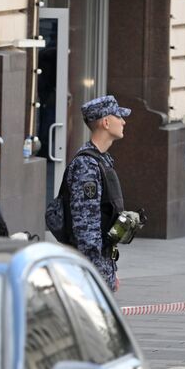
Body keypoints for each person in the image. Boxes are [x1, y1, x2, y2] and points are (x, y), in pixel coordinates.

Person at [61, 95, 132, 290]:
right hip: (90, 270)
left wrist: (111, 269)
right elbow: (86, 226)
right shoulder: (87, 165)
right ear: (106, 122)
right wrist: (97, 274)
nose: (123, 121)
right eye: (119, 116)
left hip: (101, 263)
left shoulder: (102, 160)